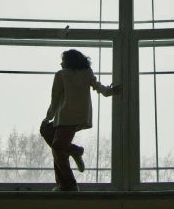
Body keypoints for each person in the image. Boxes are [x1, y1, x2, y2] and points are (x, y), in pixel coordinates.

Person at [40, 49, 121, 192]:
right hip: (81, 117)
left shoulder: (61, 75)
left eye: (63, 60)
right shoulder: (86, 72)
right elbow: (99, 87)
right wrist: (111, 91)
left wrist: (48, 117)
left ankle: (68, 185)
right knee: (49, 135)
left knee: (58, 149)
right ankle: (73, 151)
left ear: (68, 61)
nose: (61, 63)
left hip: (65, 118)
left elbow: (55, 99)